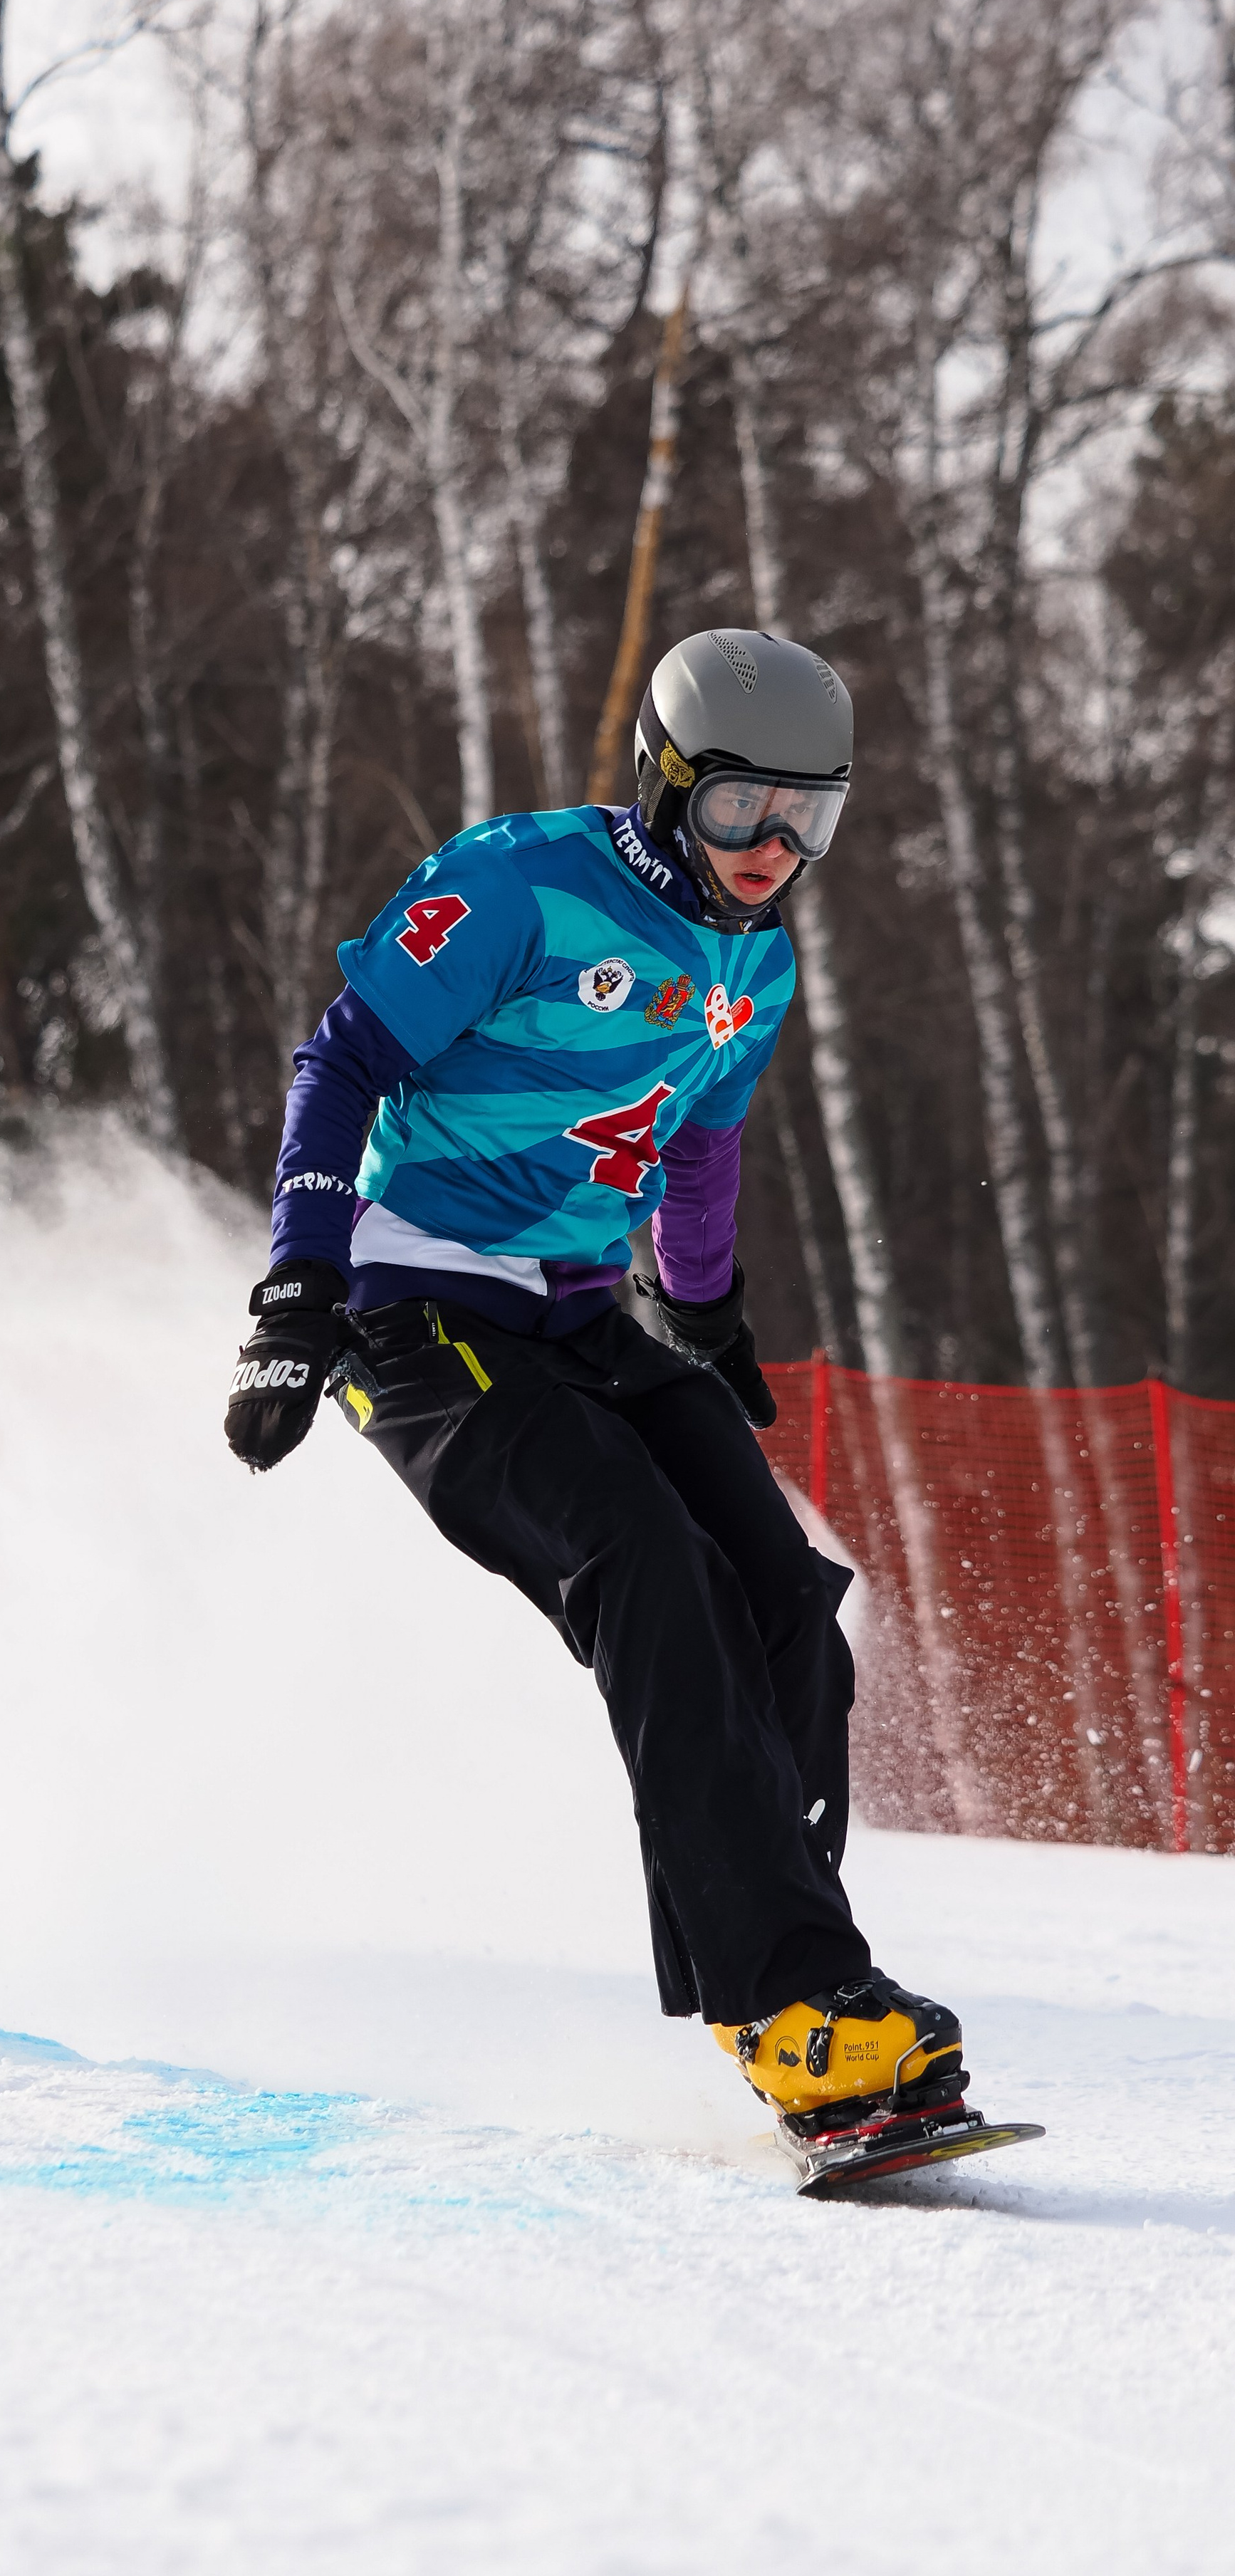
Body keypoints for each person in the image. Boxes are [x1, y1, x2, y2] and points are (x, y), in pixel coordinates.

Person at [224, 627, 971, 2173]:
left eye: (808, 819)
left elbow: (695, 1147)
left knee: (783, 1600)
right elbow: (339, 1060)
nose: (770, 852)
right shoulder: (516, 883)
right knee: (642, 1560)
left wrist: (702, 1306)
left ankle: (805, 1989)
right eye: (739, 811)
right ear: (666, 782)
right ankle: (784, 1997)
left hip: (577, 1305)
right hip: (413, 1302)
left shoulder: (751, 960)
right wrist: (296, 1286)